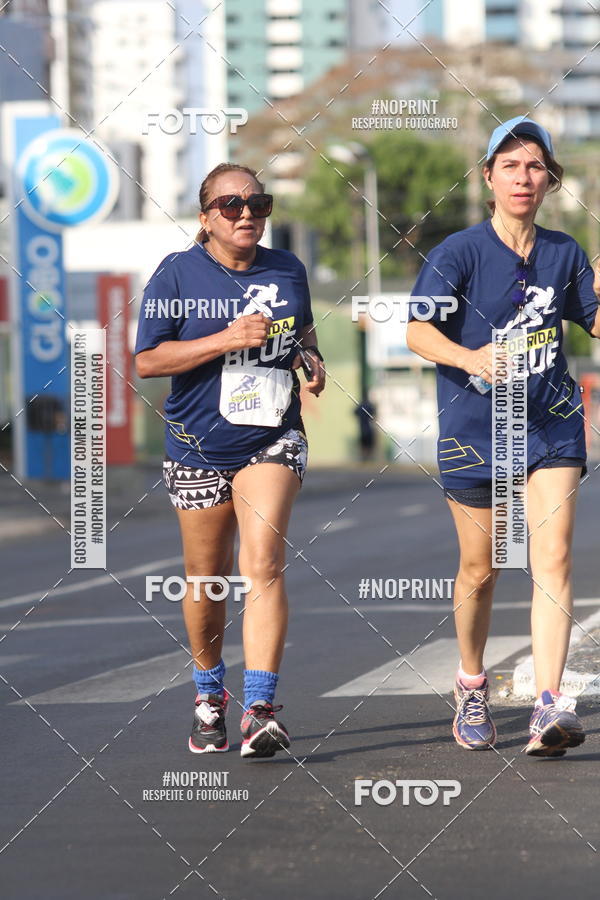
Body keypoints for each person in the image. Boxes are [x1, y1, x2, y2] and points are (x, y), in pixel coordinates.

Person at [407, 116, 600, 756]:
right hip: (475, 430)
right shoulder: (457, 252)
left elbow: (594, 324)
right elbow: (417, 333)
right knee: (482, 567)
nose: (524, 177)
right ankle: (470, 681)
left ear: (550, 180)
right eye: (510, 165)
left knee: (553, 560)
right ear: (488, 177)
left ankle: (549, 705)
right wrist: (470, 358)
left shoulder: (565, 253)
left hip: (551, 424)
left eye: (535, 166)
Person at [135, 163, 325, 758]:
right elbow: (147, 361)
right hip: (196, 444)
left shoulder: (288, 268)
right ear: (205, 217)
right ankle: (209, 694)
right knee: (207, 576)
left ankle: (261, 708)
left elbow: (303, 333)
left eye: (258, 204)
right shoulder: (177, 273)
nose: (247, 214)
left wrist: (311, 359)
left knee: (263, 562)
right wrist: (225, 339)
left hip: (271, 436)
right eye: (231, 205)